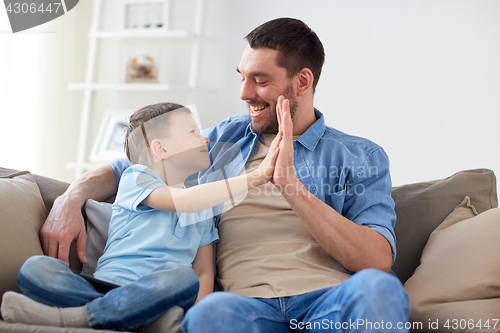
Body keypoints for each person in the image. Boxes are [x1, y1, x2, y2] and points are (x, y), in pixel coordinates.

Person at [36, 18, 410, 332]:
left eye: (260, 80)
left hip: (328, 303)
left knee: (381, 290)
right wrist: (70, 199)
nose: (245, 93)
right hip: (243, 309)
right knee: (208, 315)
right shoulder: (223, 138)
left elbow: (376, 258)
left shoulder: (360, 155)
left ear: (302, 81)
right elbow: (130, 168)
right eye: (242, 77)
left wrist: (292, 188)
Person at [1, 102, 281, 331]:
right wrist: (257, 176)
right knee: (35, 269)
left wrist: (194, 319)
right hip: (106, 286)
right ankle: (129, 317)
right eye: (193, 132)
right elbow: (183, 202)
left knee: (182, 276)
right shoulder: (137, 178)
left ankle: (81, 318)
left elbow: (204, 271)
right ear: (160, 149)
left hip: (161, 292)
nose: (205, 138)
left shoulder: (205, 205)